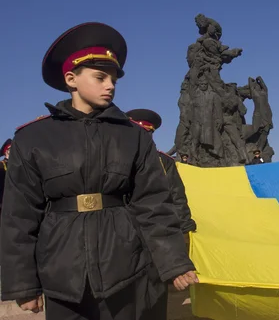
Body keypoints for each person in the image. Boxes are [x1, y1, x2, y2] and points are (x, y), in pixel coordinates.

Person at [0, 22, 197, 319]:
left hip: (126, 268)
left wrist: (174, 262)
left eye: (114, 79)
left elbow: (154, 204)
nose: (110, 85)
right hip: (62, 273)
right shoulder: (33, 139)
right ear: (71, 79)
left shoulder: (133, 136)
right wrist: (23, 284)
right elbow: (19, 215)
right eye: (100, 77)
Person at [126, 108, 197, 234]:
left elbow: (176, 194)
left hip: (158, 226)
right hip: (126, 225)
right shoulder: (117, 156)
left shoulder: (164, 161)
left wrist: (184, 223)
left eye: (147, 133)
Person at [0, 138, 11, 220]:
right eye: (11, 149)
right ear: (6, 151)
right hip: (3, 201)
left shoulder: (19, 165)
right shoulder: (1, 165)